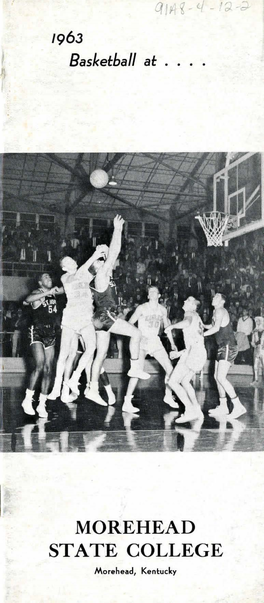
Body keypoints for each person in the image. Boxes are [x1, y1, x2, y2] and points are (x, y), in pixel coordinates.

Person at [84, 215, 149, 406]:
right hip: (105, 316)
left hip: (99, 319)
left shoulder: (101, 277)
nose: (106, 261)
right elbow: (115, 252)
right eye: (101, 260)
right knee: (136, 333)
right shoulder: (101, 276)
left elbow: (111, 256)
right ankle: (135, 367)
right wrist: (118, 230)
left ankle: (93, 388)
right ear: (97, 267)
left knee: (101, 355)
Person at [48, 245, 108, 403]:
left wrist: (103, 257)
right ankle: (57, 387)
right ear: (63, 267)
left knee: (91, 348)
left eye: (72, 259)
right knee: (65, 354)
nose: (72, 261)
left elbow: (97, 271)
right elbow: (82, 271)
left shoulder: (84, 274)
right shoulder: (66, 278)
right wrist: (95, 253)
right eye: (68, 261)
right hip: (71, 317)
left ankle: (74, 379)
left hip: (85, 316)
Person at [123, 286, 178, 413]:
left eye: (155, 291)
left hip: (154, 341)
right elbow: (129, 324)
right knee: (137, 371)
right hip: (142, 341)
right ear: (148, 296)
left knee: (170, 369)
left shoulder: (163, 310)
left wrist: (172, 343)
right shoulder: (142, 308)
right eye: (150, 292)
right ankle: (127, 402)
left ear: (159, 295)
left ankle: (168, 396)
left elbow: (167, 327)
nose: (152, 293)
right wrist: (139, 336)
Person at [21, 273, 62, 418]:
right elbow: (28, 299)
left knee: (49, 368)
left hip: (50, 332)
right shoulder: (38, 292)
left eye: (50, 277)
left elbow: (64, 289)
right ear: (40, 282)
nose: (49, 279)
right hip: (37, 331)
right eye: (45, 277)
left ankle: (41, 403)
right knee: (39, 364)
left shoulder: (53, 293)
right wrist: (48, 292)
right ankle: (27, 400)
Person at [204, 293, 247, 419]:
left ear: (222, 301)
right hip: (222, 346)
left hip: (228, 345)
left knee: (221, 377)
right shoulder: (216, 311)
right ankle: (223, 406)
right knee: (216, 377)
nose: (213, 298)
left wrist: (201, 335)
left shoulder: (221, 310)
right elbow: (213, 326)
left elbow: (216, 328)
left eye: (216, 297)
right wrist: (202, 326)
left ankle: (238, 405)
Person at [165, 296, 207, 423]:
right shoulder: (197, 317)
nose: (184, 301)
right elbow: (194, 341)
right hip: (198, 352)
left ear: (194, 306)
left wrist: (172, 326)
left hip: (194, 353)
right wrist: (179, 354)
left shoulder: (189, 313)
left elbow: (187, 323)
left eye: (188, 300)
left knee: (172, 382)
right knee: (184, 381)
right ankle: (197, 409)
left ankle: (190, 410)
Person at [250, 316, 264, 386]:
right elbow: (252, 341)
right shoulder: (254, 332)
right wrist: (254, 345)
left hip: (263, 351)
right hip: (256, 350)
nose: (257, 323)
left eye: (258, 321)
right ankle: (256, 380)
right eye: (256, 322)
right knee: (255, 366)